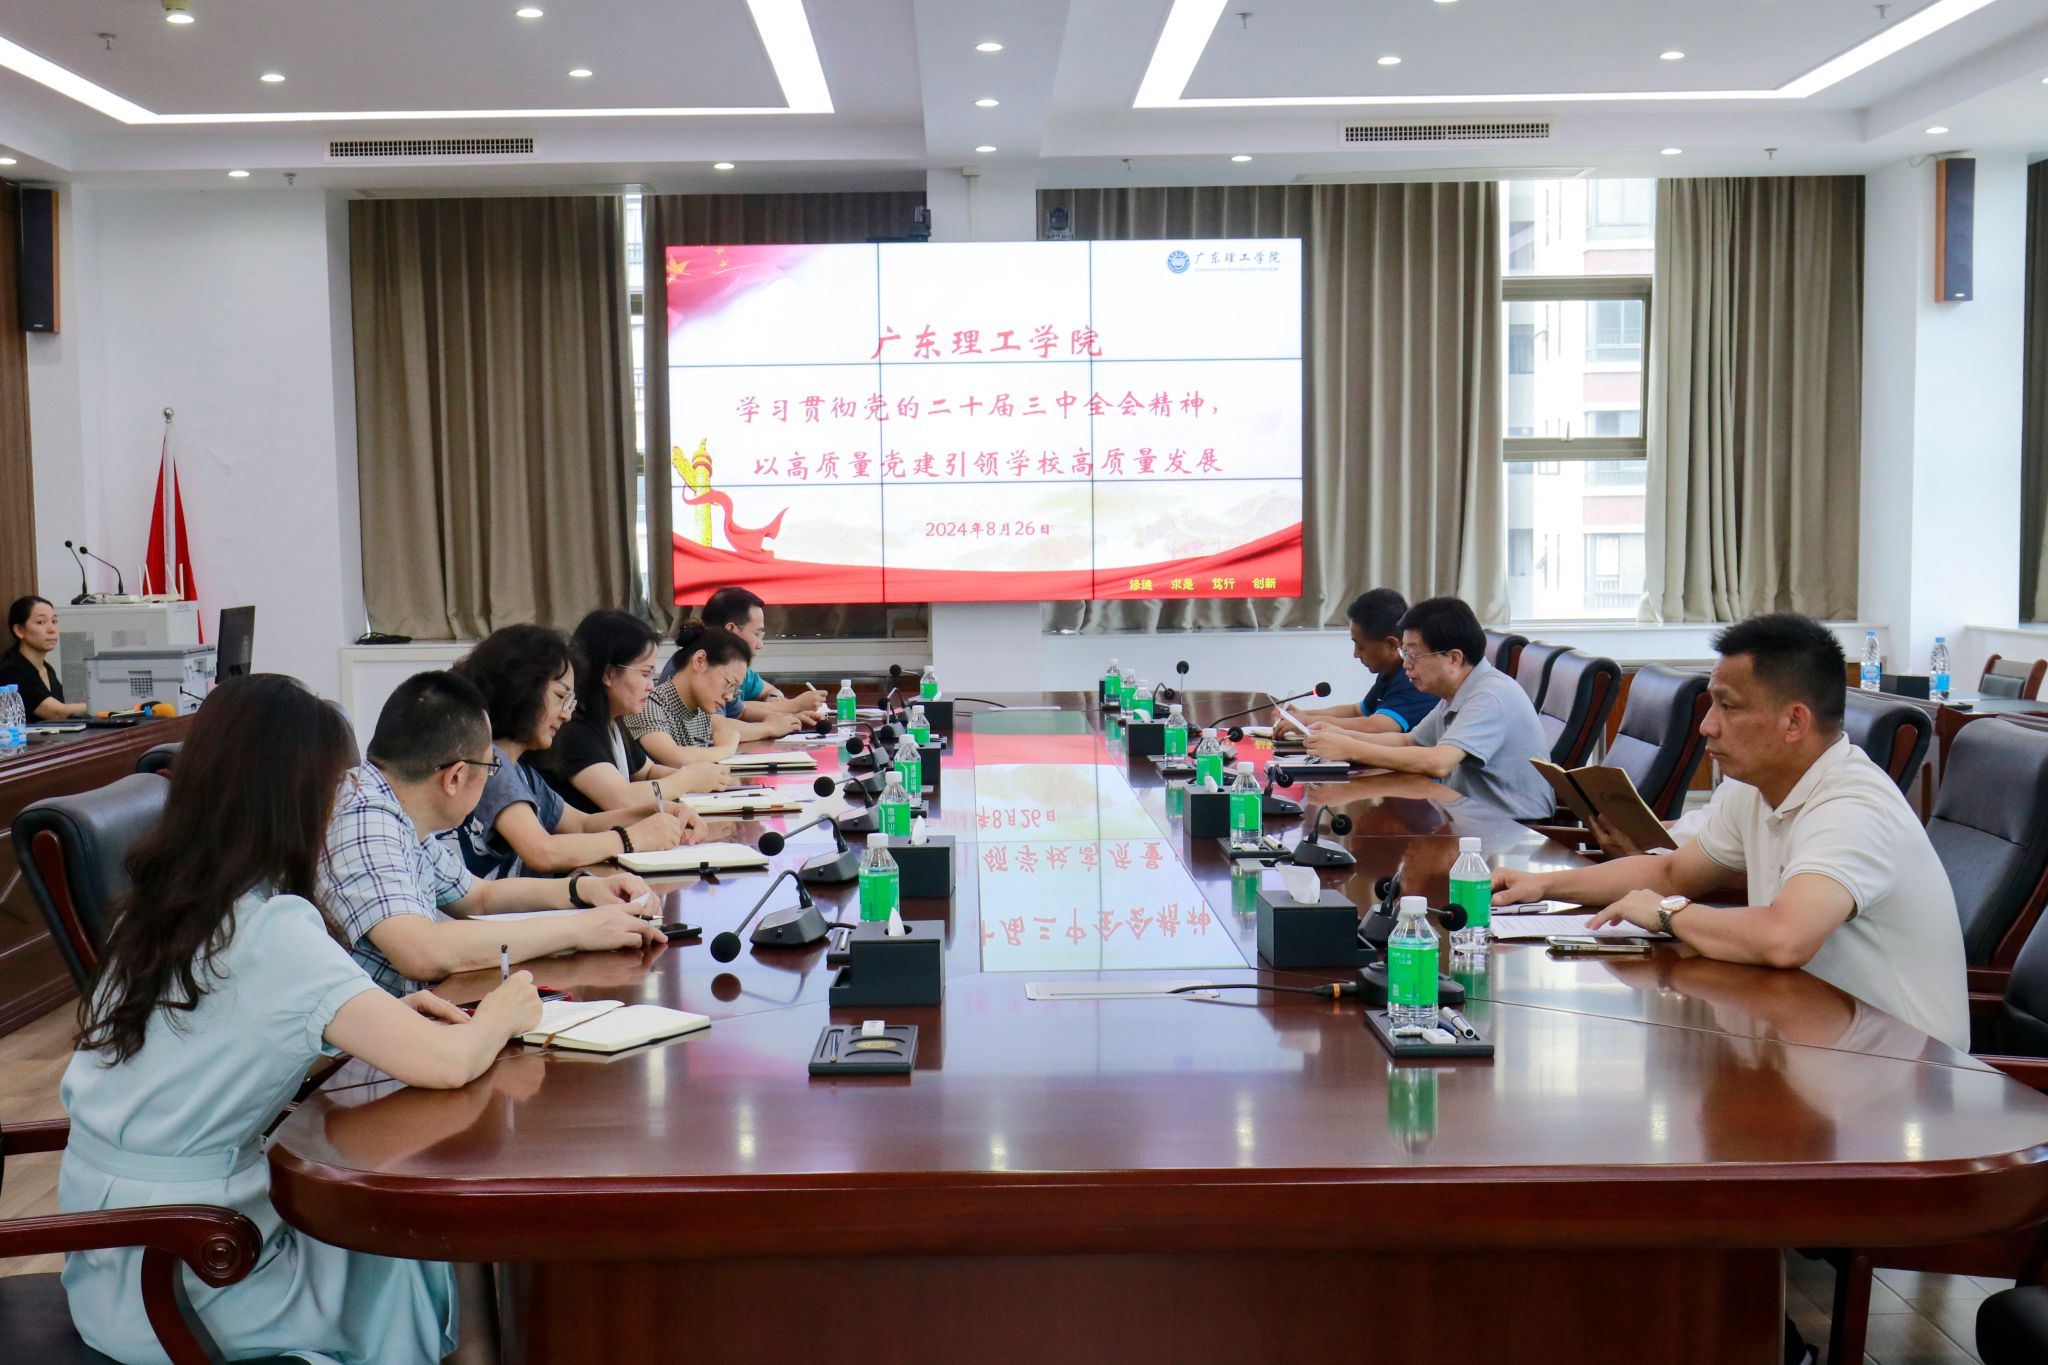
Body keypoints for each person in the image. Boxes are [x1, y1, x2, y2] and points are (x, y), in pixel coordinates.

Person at [58, 673, 542, 1364]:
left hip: (113, 1252)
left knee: (403, 1236)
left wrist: (373, 1021)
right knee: (415, 1245)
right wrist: (504, 1008)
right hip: (191, 1272)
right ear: (300, 797)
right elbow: (448, 1063)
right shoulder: (273, 926)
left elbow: (207, 1046)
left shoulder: (158, 905)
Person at [1491, 613, 1969, 1052]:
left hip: (1907, 1071)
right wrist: (1542, 885)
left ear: (1794, 721)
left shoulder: (1853, 806)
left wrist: (1666, 913)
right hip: (1816, 1038)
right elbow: (1671, 871)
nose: (1707, 726)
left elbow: (1785, 937)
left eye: (1728, 706)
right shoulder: (1757, 787)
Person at [323, 669, 670, 996]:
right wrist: (580, 929)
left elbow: (479, 897)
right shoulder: (366, 817)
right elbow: (423, 952)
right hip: (369, 1037)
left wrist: (582, 890)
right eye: (489, 767)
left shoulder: (399, 809)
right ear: (455, 777)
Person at [451, 625, 702, 879]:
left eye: (569, 702)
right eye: (560, 696)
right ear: (520, 688)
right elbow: (542, 851)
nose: (566, 714)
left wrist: (656, 812)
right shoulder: (490, 762)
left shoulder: (522, 770)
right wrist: (633, 837)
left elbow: (583, 825)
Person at [1303, 595, 1554, 820]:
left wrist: (1350, 749)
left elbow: (1439, 762)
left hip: (1516, 829)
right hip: (1470, 816)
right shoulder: (1456, 691)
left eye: (1413, 655)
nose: (1405, 665)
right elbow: (1409, 741)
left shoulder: (1489, 696)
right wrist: (1342, 735)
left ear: (1453, 658)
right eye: (1405, 654)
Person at [533, 608, 731, 815]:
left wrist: (706, 776)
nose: (651, 686)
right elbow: (621, 799)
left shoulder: (612, 719)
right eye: (645, 674)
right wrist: (687, 779)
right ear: (608, 674)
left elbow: (647, 772)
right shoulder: (572, 728)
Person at [1273, 588, 1438, 739]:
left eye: (1361, 646)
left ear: (1391, 645)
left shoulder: (1412, 677)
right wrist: (1301, 714)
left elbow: (1377, 726)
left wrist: (1307, 721)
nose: (1356, 654)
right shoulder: (1389, 673)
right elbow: (1357, 711)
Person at [630, 619, 763, 768]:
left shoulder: (701, 712)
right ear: (700, 661)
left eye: (734, 689)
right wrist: (726, 749)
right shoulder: (648, 706)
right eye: (729, 684)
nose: (729, 696)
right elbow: (676, 757)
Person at [691, 585, 828, 722]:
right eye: (757, 634)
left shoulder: (736, 669)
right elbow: (720, 726)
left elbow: (741, 710)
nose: (760, 645)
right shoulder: (706, 668)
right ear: (731, 629)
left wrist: (788, 716)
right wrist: (793, 707)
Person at [1, 594, 89, 719]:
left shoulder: (47, 669)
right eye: (41, 622)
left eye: (54, 621)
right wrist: (104, 706)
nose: (52, 629)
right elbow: (57, 713)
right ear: (19, 630)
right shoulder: (12, 671)